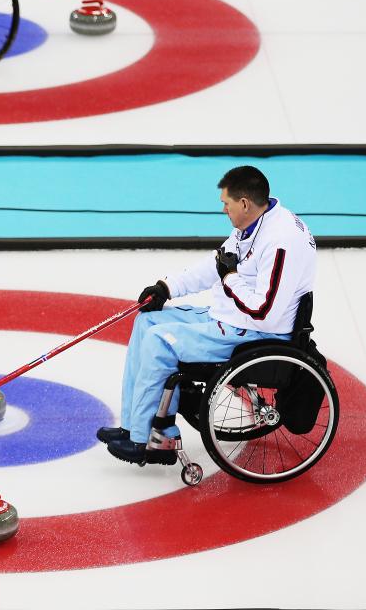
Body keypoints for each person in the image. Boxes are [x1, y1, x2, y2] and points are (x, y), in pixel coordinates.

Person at [98, 166, 318, 466]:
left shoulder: (280, 241)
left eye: (226, 203)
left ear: (244, 203)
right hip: (232, 317)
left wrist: (230, 278)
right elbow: (218, 263)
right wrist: (167, 287)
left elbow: (265, 311)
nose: (223, 209)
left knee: (159, 341)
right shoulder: (255, 222)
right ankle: (134, 426)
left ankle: (153, 439)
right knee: (147, 321)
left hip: (256, 330)